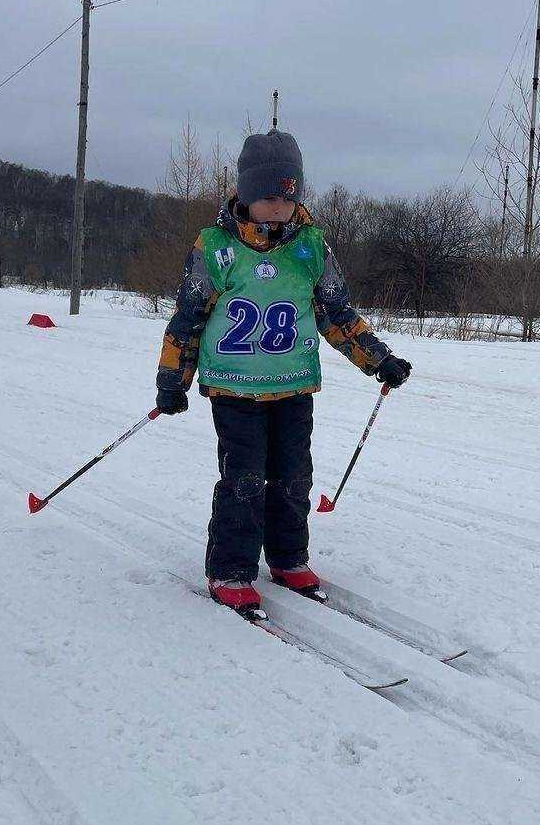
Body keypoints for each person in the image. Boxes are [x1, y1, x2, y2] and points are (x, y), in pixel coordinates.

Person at [155, 128, 412, 612]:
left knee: (294, 477)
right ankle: (230, 568)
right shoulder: (215, 247)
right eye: (268, 197)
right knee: (244, 479)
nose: (278, 207)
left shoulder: (310, 246)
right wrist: (173, 380)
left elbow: (336, 314)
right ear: (248, 194)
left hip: (294, 386)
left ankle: (289, 557)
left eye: (287, 198)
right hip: (235, 389)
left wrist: (378, 359)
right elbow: (187, 318)